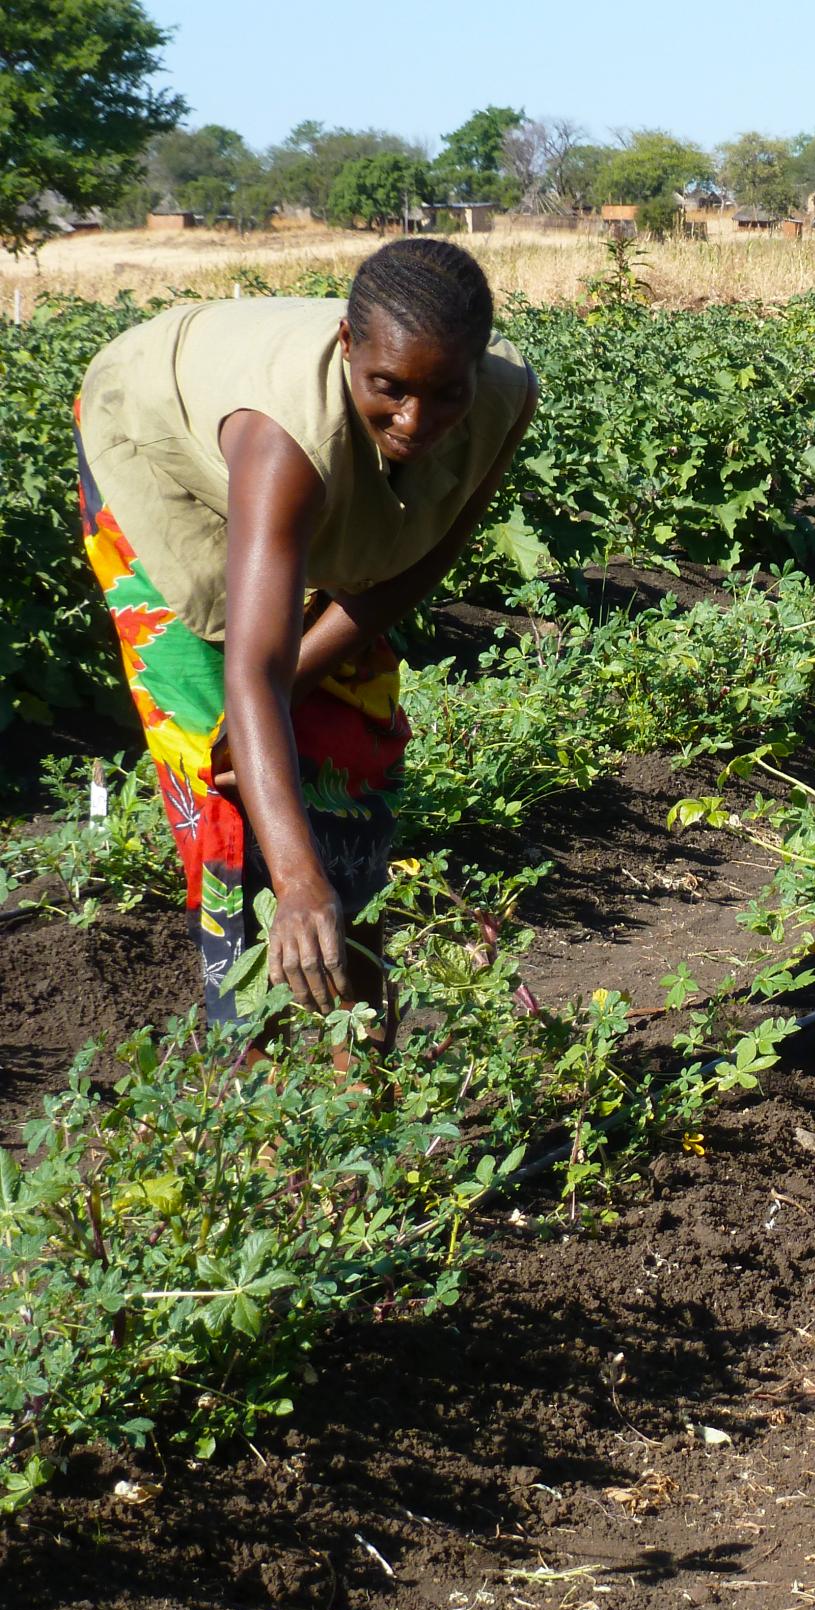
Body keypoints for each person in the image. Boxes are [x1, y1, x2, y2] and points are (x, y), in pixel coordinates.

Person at [74, 238, 538, 1030]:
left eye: (445, 393)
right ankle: (251, 1065)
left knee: (343, 742)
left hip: (295, 470)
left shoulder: (501, 396)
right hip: (156, 452)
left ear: (475, 369)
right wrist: (295, 880)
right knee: (217, 751)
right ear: (347, 345)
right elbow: (250, 671)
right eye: (389, 388)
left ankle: (359, 1061)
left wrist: (299, 681)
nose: (417, 421)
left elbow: (423, 556)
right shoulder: (281, 438)